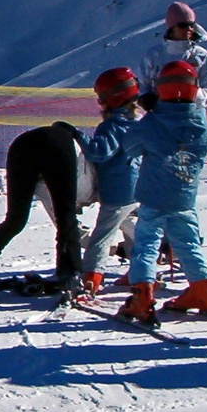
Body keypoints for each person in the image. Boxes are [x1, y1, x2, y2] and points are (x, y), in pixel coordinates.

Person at [117, 60, 207, 322]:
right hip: (184, 196)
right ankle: (203, 290)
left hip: (153, 196)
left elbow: (130, 147)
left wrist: (149, 113)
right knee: (188, 243)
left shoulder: (153, 123)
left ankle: (142, 295)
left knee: (146, 245)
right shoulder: (201, 123)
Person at [0, 122, 91, 303]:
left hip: (21, 145)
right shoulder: (70, 142)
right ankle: (70, 275)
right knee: (66, 216)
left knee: (15, 220)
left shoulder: (57, 136)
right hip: (57, 148)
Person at [76, 68, 143, 298]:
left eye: (101, 97)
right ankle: (142, 273)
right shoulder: (139, 121)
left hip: (117, 192)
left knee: (102, 236)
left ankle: (91, 277)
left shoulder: (111, 126)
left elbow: (99, 153)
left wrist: (79, 137)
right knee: (134, 232)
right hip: (138, 188)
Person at [138, 2, 207, 112]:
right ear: (171, 27)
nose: (189, 29)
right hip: (160, 119)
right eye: (183, 25)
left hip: (192, 119)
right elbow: (141, 86)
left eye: (191, 25)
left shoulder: (202, 56)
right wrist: (145, 99)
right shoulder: (153, 56)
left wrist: (190, 93)